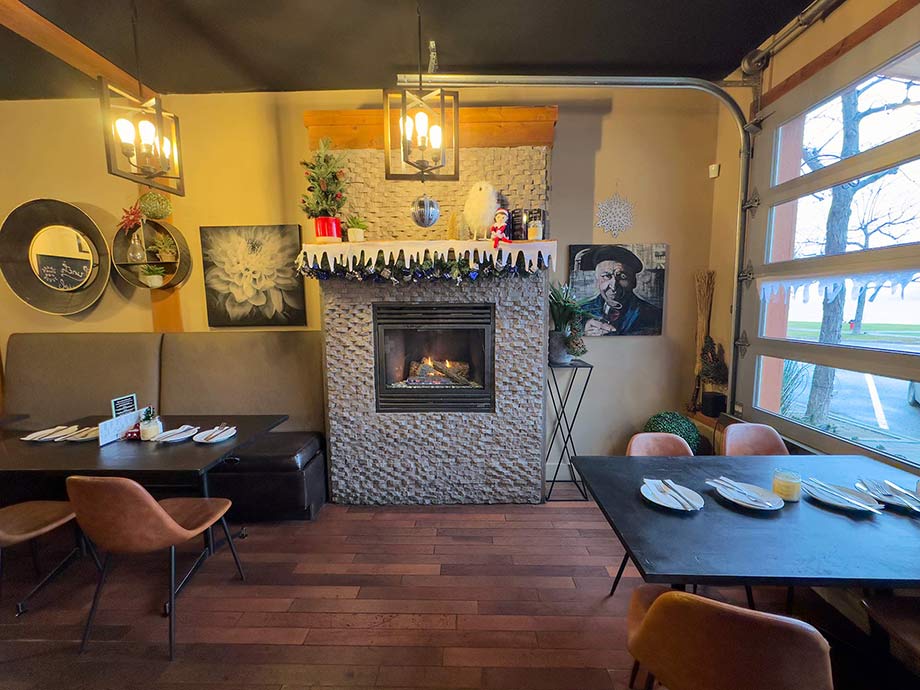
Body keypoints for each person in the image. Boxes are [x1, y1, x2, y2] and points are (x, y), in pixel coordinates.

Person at [578, 245, 662, 336]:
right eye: (606, 276)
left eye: (622, 276)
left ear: (633, 282)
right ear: (597, 281)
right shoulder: (581, 312)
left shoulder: (653, 315)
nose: (613, 286)